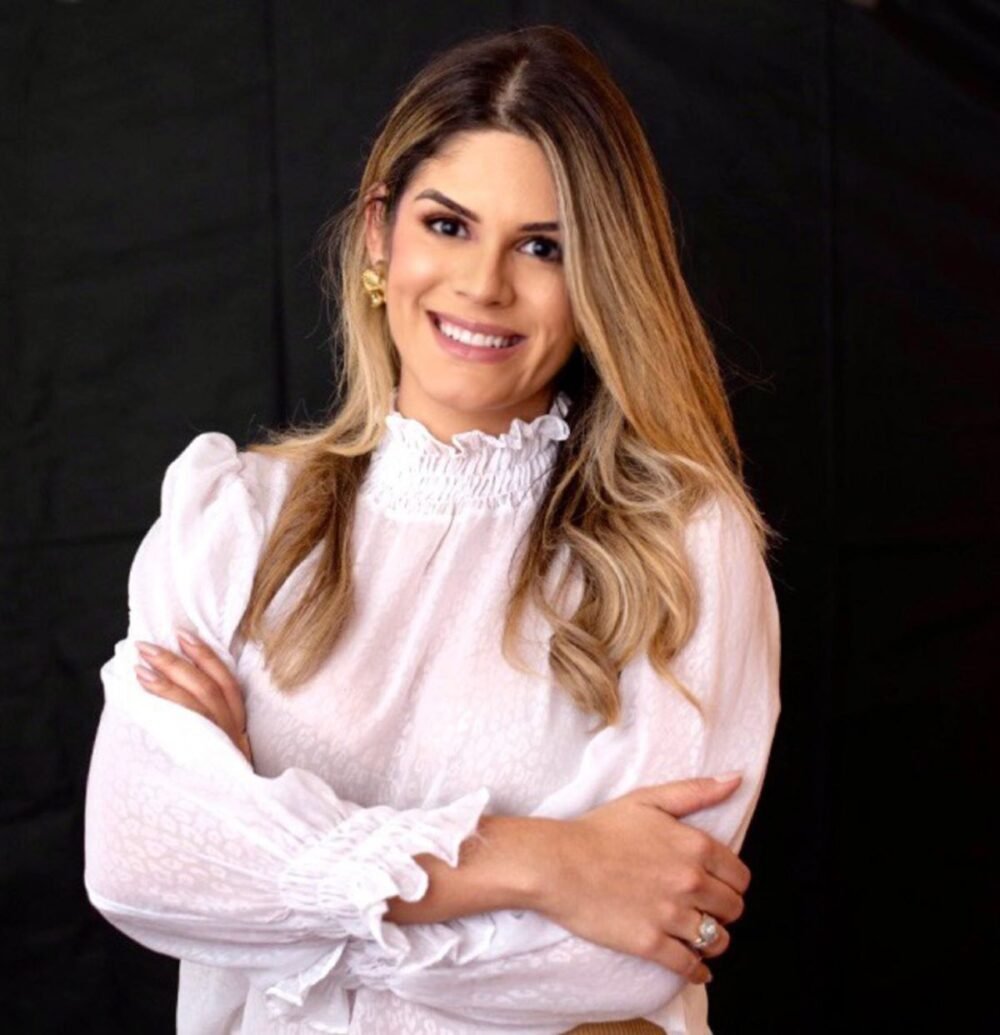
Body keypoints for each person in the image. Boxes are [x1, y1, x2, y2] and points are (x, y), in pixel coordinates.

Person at [83, 24, 780, 1035]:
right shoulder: (231, 521)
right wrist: (543, 861)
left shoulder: (680, 547)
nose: (483, 285)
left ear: (599, 278)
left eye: (542, 246)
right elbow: (139, 861)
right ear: (381, 233)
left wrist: (262, 859)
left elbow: (623, 956)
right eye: (448, 225)